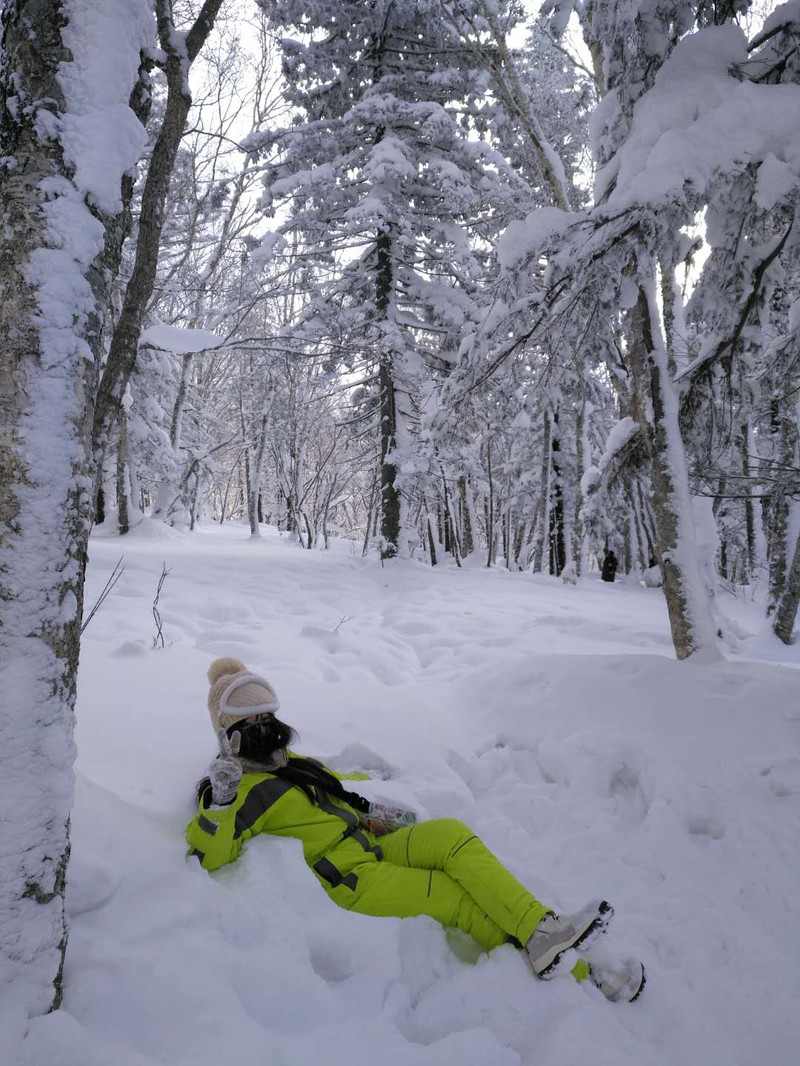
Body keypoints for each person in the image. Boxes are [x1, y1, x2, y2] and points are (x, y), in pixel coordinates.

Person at [187, 658, 641, 999]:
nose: (266, 727)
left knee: (449, 835)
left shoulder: (292, 764)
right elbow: (211, 854)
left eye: (268, 716)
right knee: (454, 897)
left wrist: (380, 787)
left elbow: (336, 789)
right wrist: (222, 801)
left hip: (372, 844)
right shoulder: (239, 788)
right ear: (229, 732)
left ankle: (542, 929)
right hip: (351, 880)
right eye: (252, 722)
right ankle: (586, 979)